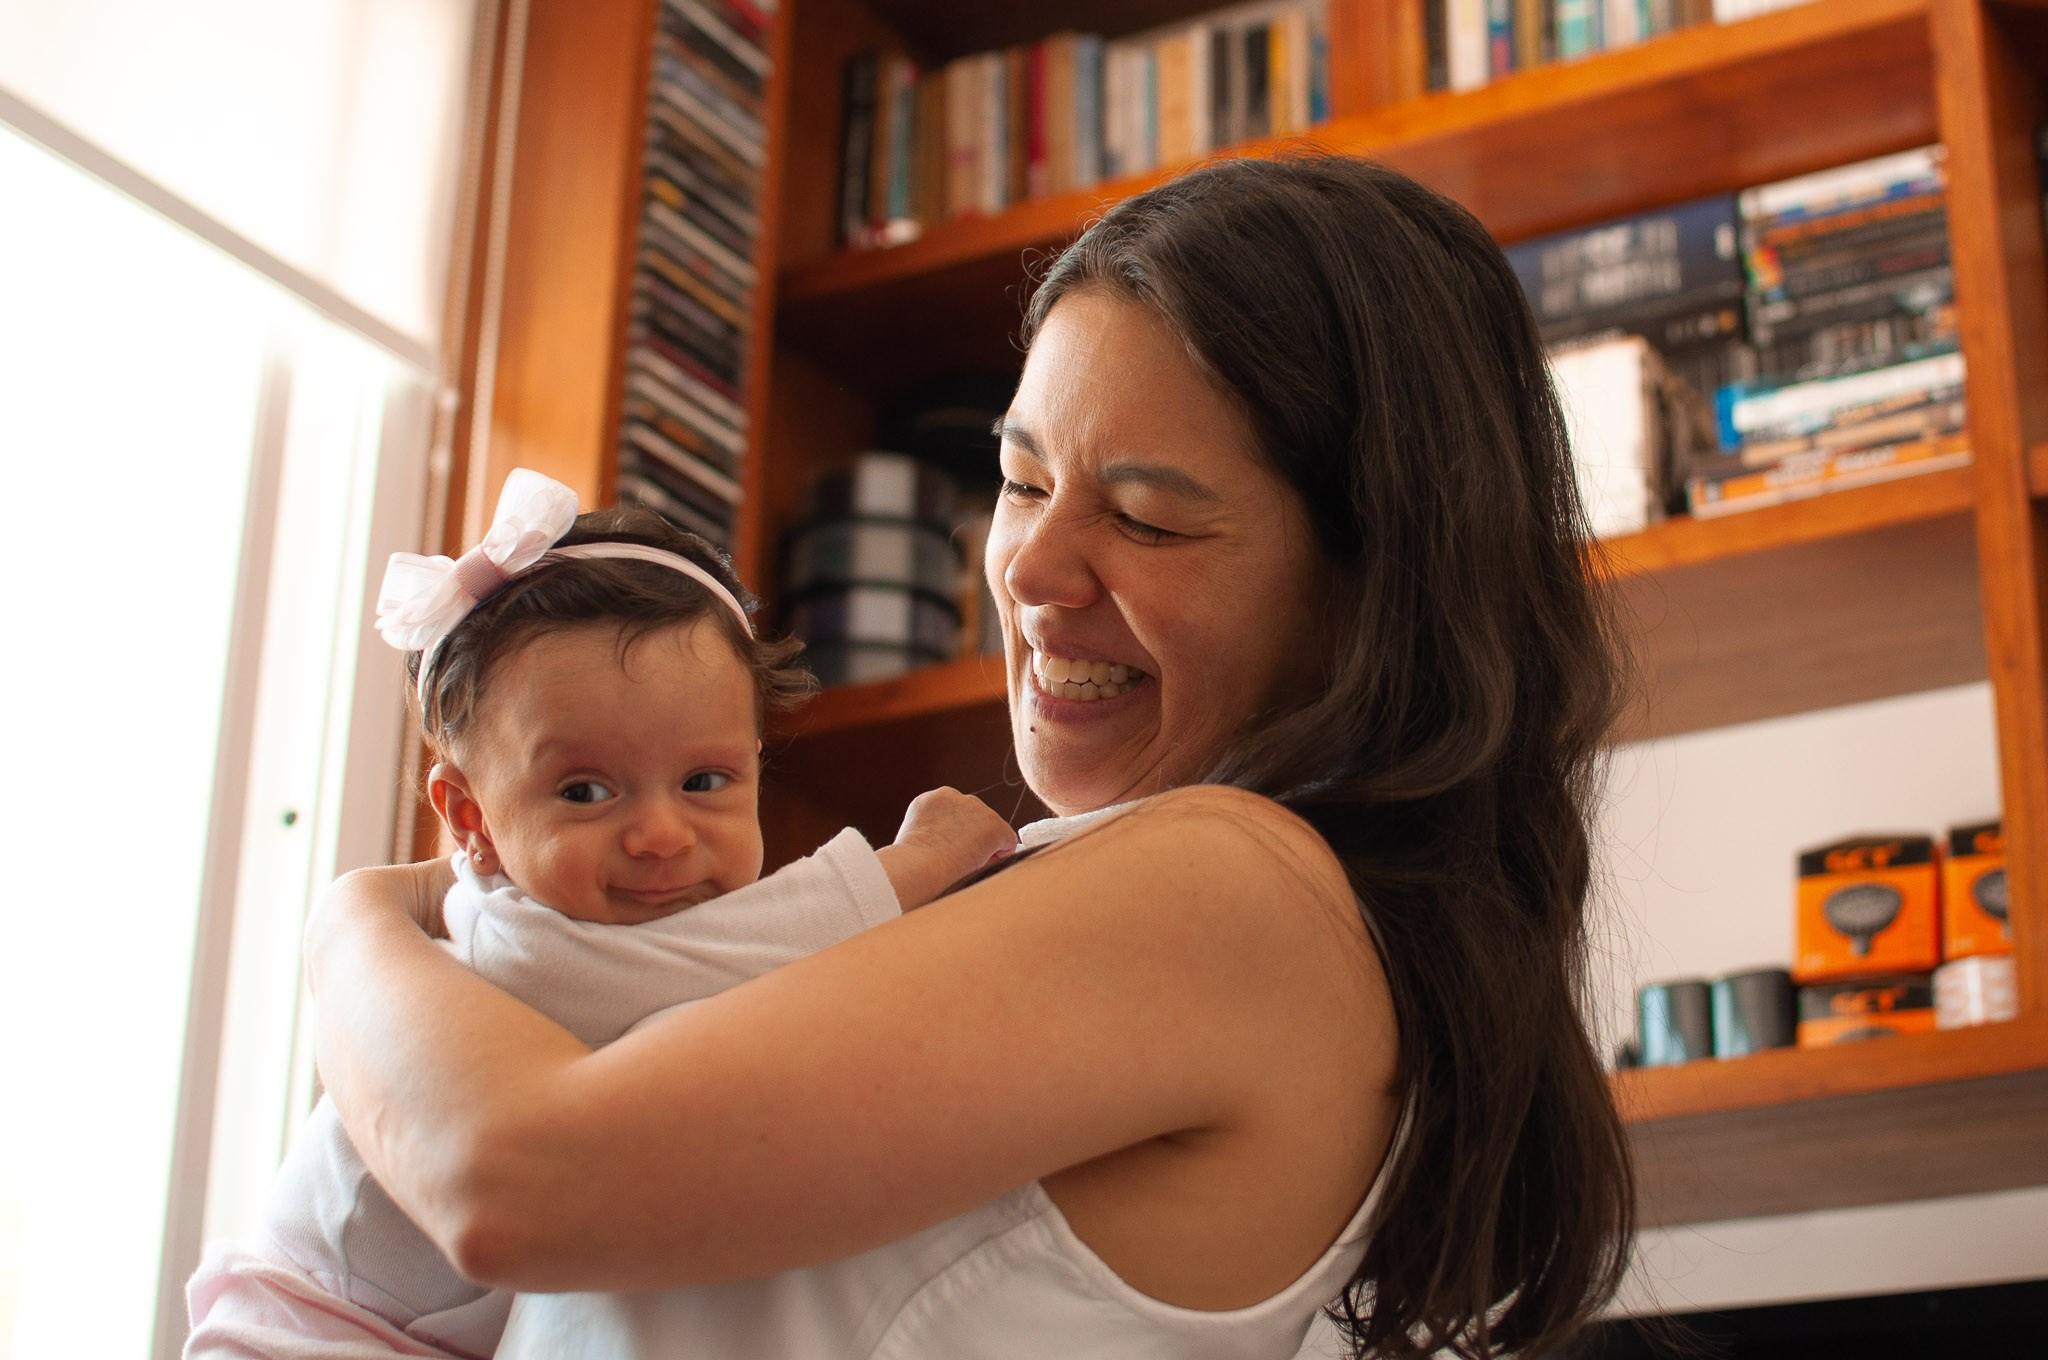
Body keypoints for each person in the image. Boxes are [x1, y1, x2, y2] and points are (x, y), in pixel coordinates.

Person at [303, 153, 1634, 1359]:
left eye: (1150, 521)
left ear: (1367, 588)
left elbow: (510, 1180)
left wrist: (355, 918)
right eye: (1022, 482)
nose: (1032, 570)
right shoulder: (1166, 897)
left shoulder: (1239, 891)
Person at [185, 471, 1018, 1358]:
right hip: (305, 1334)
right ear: (471, 820)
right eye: (585, 792)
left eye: (706, 781)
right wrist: (912, 864)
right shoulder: (508, 942)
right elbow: (709, 960)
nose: (660, 834)